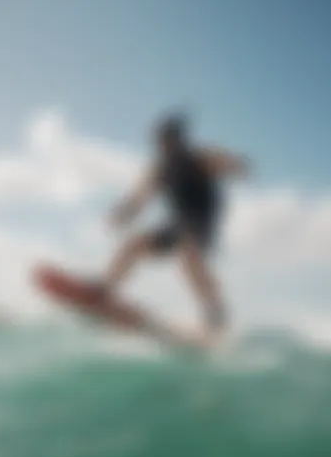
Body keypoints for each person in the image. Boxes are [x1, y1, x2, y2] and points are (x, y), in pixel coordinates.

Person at [94, 112, 250, 346]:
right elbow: (139, 198)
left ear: (179, 139)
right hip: (176, 225)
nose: (164, 146)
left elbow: (229, 164)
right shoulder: (159, 170)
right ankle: (103, 291)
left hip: (200, 224)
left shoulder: (198, 158)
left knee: (188, 258)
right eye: (161, 141)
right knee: (134, 244)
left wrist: (235, 165)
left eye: (169, 140)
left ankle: (215, 313)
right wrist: (121, 214)